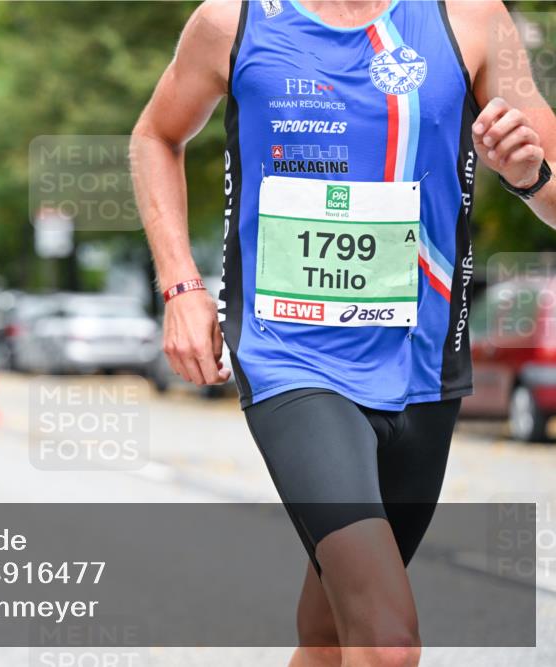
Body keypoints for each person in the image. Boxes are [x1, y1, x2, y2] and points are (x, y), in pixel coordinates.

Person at [131, 1, 555, 665]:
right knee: (387, 641)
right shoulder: (234, 20)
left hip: (423, 369)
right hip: (291, 358)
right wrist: (181, 285)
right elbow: (156, 135)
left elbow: (552, 189)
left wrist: (528, 171)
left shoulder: (471, 17)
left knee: (332, 635)